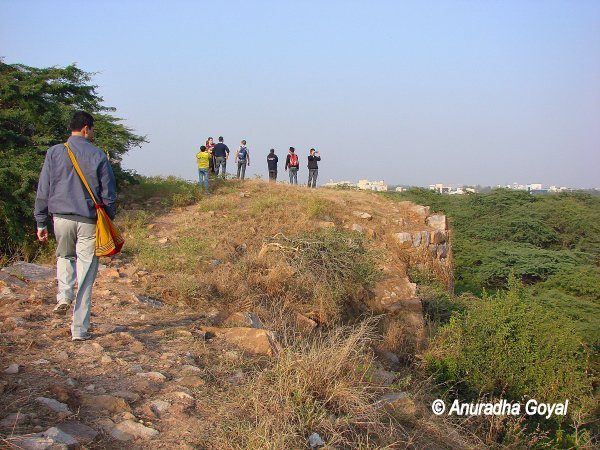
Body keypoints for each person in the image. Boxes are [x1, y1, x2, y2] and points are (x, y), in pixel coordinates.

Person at [34, 111, 117, 341]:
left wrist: (41, 221)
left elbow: (44, 189)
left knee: (64, 255)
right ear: (86, 128)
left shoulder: (54, 152)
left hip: (60, 217)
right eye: (92, 129)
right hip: (89, 220)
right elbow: (108, 194)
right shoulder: (98, 155)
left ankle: (63, 295)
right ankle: (79, 330)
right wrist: (109, 220)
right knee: (87, 274)